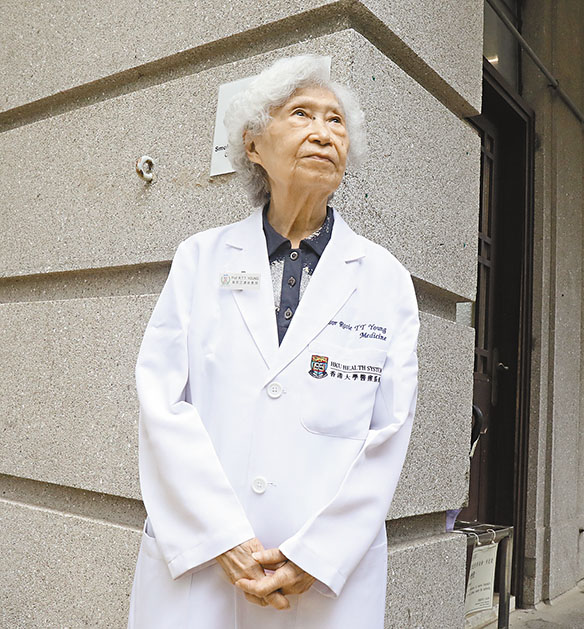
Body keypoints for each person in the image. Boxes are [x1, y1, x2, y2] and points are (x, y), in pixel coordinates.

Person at [128, 55, 420, 629]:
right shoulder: (201, 258)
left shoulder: (385, 279)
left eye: (336, 120)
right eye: (302, 114)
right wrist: (222, 537)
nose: (324, 133)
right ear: (254, 144)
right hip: (204, 568)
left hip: (322, 585)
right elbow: (161, 402)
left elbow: (390, 430)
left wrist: (317, 556)